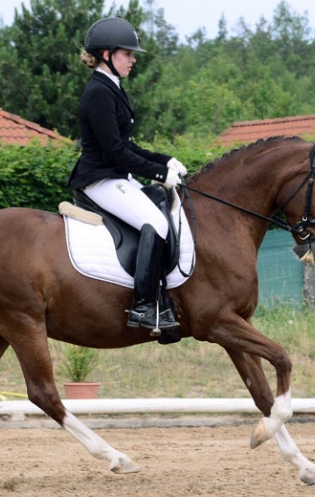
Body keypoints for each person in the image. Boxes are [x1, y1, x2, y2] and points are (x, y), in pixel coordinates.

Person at [67, 17, 188, 333]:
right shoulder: (99, 92)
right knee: (157, 224)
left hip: (116, 176)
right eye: (127, 54)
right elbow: (114, 152)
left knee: (162, 206)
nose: (133, 60)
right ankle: (144, 307)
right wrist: (160, 173)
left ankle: (159, 299)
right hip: (100, 179)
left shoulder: (112, 87)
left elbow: (127, 145)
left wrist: (166, 160)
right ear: (107, 54)